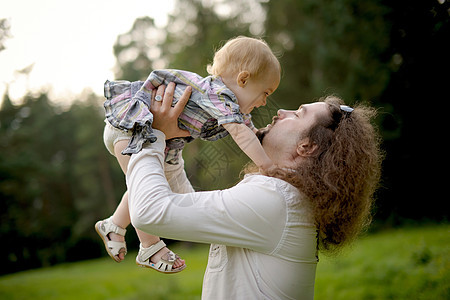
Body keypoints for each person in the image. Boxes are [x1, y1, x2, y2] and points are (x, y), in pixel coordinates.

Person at [126, 83, 383, 299]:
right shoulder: (287, 198)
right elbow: (183, 205)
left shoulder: (275, 199)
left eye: (298, 114)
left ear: (307, 146)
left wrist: (151, 134)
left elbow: (149, 213)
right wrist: (171, 148)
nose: (281, 111)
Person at [95, 36, 281, 273]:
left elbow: (251, 133)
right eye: (265, 92)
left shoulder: (234, 107)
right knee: (143, 188)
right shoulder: (218, 94)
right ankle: (149, 246)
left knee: (180, 196)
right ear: (243, 79)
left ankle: (114, 225)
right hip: (131, 127)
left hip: (162, 145)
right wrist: (267, 166)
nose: (265, 102)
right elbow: (241, 134)